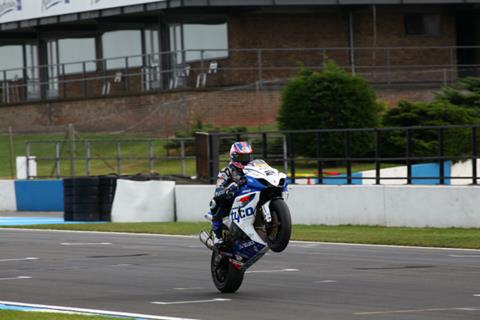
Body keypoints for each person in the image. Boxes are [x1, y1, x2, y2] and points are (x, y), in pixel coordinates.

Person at [209, 141, 253, 246]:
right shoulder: (226, 171)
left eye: (247, 156)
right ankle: (217, 235)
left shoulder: (252, 168)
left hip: (250, 196)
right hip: (233, 200)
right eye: (242, 157)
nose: (245, 160)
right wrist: (229, 188)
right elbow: (218, 191)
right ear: (234, 156)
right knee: (215, 202)